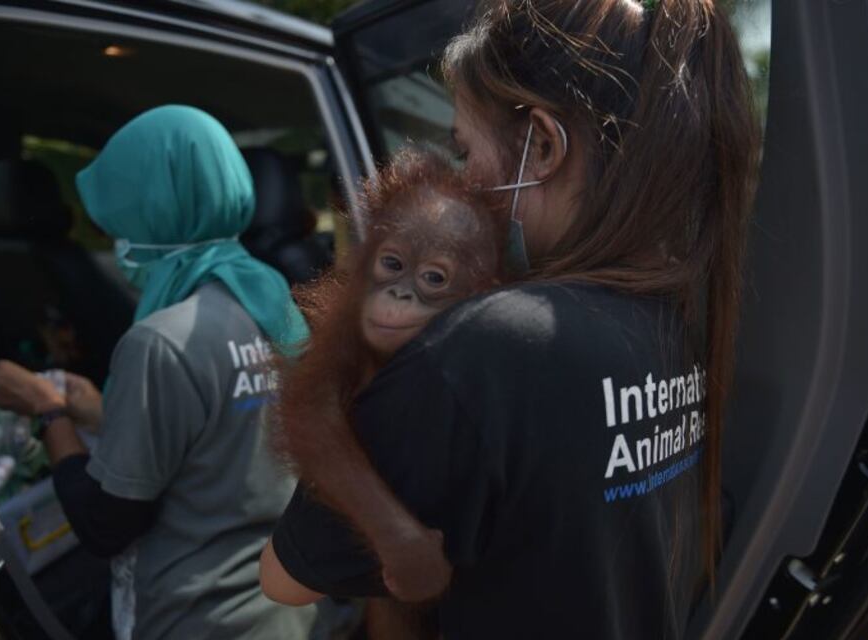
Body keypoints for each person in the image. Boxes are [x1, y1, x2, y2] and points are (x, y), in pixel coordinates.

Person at [259, 0, 760, 638]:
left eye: (465, 151)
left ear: (542, 147)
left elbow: (285, 576)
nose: (463, 184)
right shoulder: (670, 316)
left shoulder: (495, 348)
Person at [0, 105, 316, 639]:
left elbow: (104, 523)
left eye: (118, 214)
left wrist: (49, 409)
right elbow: (223, 436)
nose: (112, 233)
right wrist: (100, 411)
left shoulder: (162, 340)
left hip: (195, 620)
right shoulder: (276, 302)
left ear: (151, 207)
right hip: (286, 612)